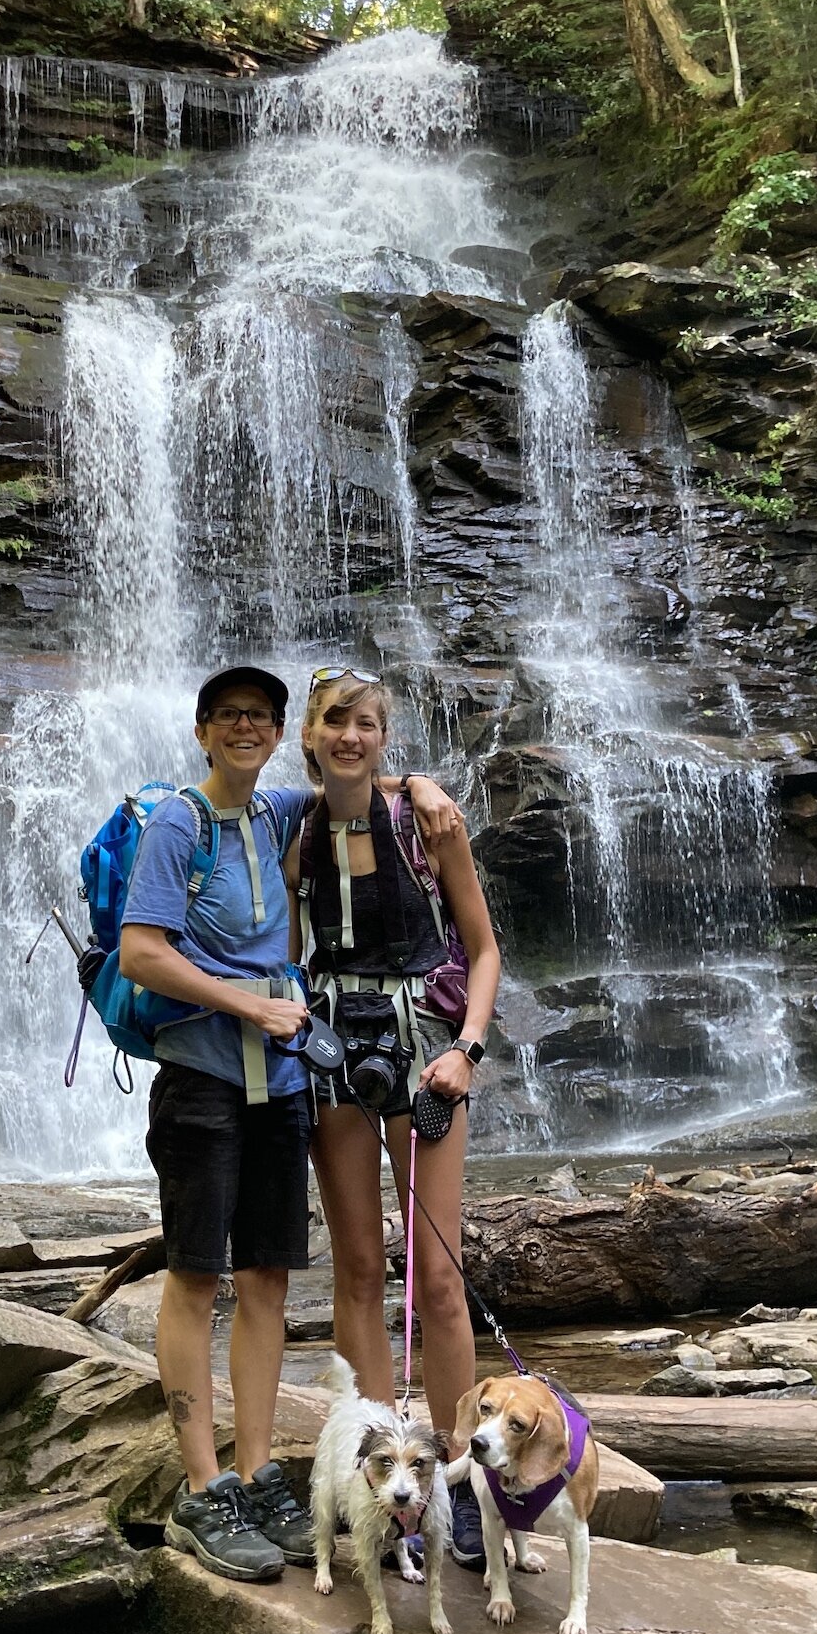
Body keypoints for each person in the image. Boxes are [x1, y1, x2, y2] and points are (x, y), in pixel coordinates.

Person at [118, 664, 459, 1582]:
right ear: (201, 729)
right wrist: (244, 1004)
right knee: (196, 1277)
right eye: (229, 715)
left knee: (266, 1274)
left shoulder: (279, 820)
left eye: (260, 718)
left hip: (283, 1084)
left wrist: (412, 782)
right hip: (201, 1075)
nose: (245, 729)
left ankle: (259, 1470)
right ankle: (202, 1489)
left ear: (280, 735)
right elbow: (141, 952)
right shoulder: (176, 827)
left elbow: (350, 777)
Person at [288, 667, 501, 1570]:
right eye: (337, 720)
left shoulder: (428, 821)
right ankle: (378, 1474)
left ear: (386, 735)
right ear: (312, 732)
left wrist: (470, 1048)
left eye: (368, 723)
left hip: (424, 1050)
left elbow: (484, 949)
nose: (351, 735)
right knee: (360, 1270)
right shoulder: (289, 830)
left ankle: (456, 1476)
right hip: (334, 1047)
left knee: (440, 1278)